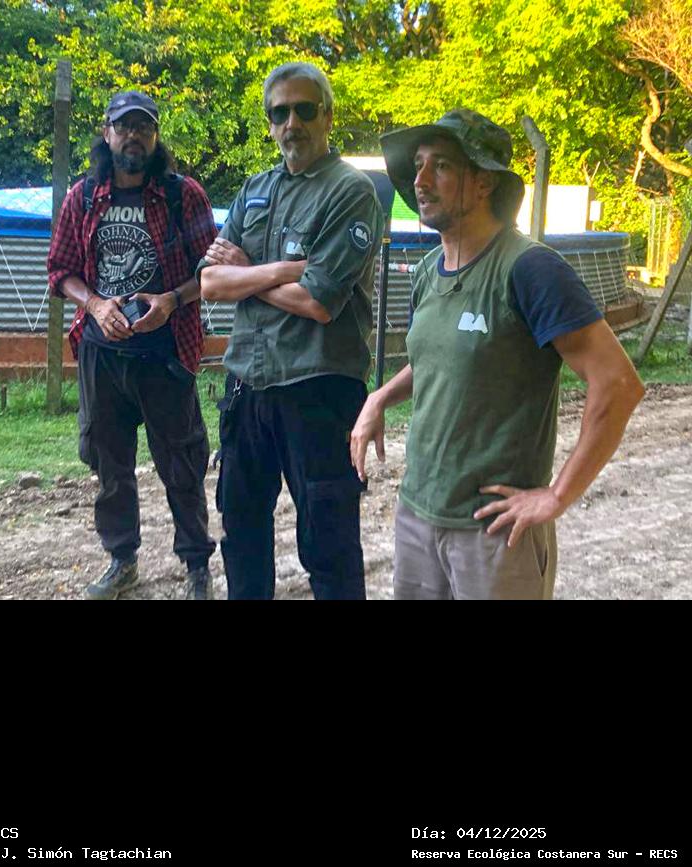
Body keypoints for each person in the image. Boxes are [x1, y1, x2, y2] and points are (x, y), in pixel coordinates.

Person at [350, 108, 645, 600]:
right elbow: (440, 359)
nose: (420, 180)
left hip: (494, 533)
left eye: (441, 165)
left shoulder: (530, 269)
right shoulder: (428, 271)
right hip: (418, 515)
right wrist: (380, 397)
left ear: (484, 181)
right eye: (418, 166)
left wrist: (556, 496)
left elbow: (618, 383)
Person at [197, 62, 384, 600]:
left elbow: (318, 302)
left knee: (328, 546)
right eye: (280, 113)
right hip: (246, 388)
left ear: (328, 116)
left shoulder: (350, 191)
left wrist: (247, 273)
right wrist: (281, 269)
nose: (292, 123)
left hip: (318, 390)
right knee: (241, 535)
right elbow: (209, 282)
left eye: (305, 110)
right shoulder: (255, 189)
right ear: (270, 123)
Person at [47, 90, 217, 600]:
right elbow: (60, 271)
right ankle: (122, 561)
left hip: (165, 355)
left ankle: (196, 567)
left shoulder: (183, 195)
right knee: (110, 467)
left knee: (182, 465)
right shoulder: (83, 197)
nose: (133, 137)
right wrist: (95, 304)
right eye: (124, 127)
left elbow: (213, 271)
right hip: (102, 356)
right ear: (107, 134)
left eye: (143, 127)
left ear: (156, 137)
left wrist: (171, 300)